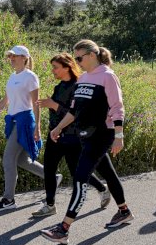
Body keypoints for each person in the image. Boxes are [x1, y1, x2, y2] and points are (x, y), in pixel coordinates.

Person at [40, 40, 133, 245]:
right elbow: (74, 111)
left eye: (80, 58)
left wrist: (119, 136)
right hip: (85, 135)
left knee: (80, 178)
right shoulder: (83, 78)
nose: (78, 62)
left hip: (102, 134)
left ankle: (63, 229)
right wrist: (57, 128)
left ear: (92, 55)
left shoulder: (108, 76)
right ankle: (124, 211)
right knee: (108, 173)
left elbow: (118, 107)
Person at [32, 53, 111, 217]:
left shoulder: (79, 86)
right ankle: (50, 204)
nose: (53, 71)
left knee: (76, 172)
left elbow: (76, 113)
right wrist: (52, 125)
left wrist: (53, 105)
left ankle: (102, 189)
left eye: (56, 67)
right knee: (49, 168)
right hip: (55, 134)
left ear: (67, 67)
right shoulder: (59, 86)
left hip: (73, 137)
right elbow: (58, 112)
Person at [0, 45, 47, 212]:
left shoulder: (30, 77)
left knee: (8, 158)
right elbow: (4, 102)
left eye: (14, 56)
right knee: (23, 160)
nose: (11, 59)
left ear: (24, 57)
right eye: (10, 56)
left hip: (25, 122)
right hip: (14, 121)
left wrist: (38, 127)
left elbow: (36, 105)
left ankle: (9, 199)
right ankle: (53, 178)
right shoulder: (12, 77)